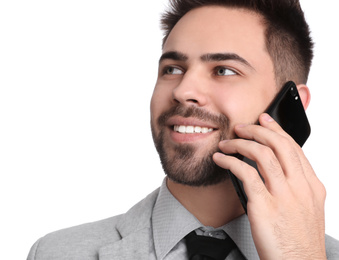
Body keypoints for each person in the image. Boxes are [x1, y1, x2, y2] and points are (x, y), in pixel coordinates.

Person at [27, 0, 339, 259]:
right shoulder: (55, 253)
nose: (183, 89)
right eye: (173, 69)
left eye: (224, 70)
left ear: (291, 105)